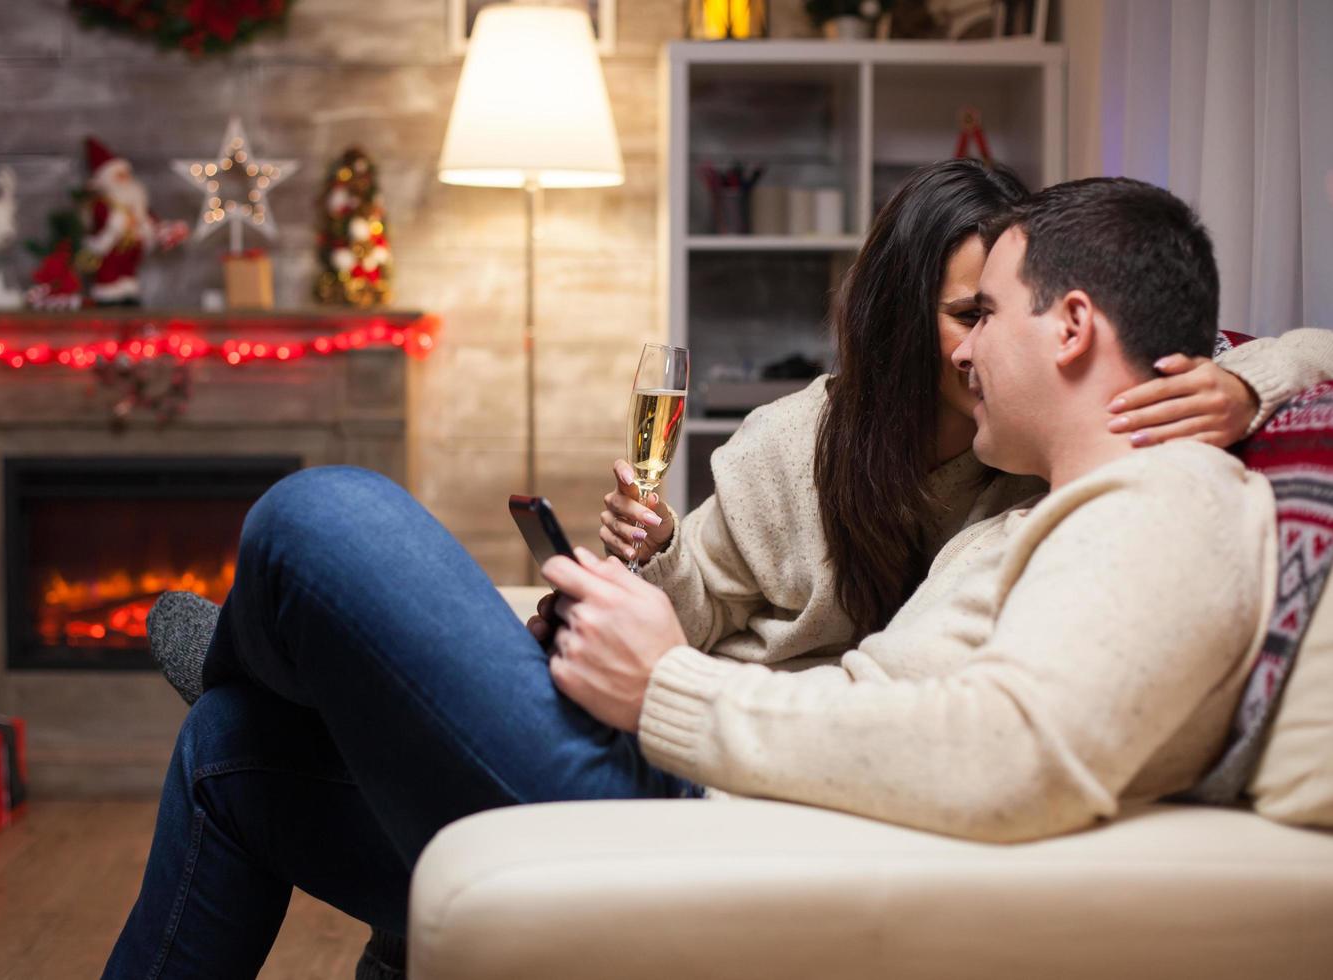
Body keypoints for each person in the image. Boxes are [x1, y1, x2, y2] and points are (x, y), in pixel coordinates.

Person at [101, 170, 1322, 980]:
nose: (967, 347)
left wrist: (672, 688)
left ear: (1063, 328)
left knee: (325, 513)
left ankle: (273, 655)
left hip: (694, 793)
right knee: (231, 750)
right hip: (697, 766)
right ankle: (273, 676)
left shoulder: (1170, 500)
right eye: (955, 315)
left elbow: (1009, 746)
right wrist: (662, 605)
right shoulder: (1036, 485)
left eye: (986, 312)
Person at [597, 160, 1333, 667]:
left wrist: (1245, 389)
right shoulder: (793, 447)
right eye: (964, 315)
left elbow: (1300, 348)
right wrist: (657, 551)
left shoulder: (1042, 455)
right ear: (901, 320)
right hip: (739, 706)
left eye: (995, 312)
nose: (982, 345)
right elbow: (691, 622)